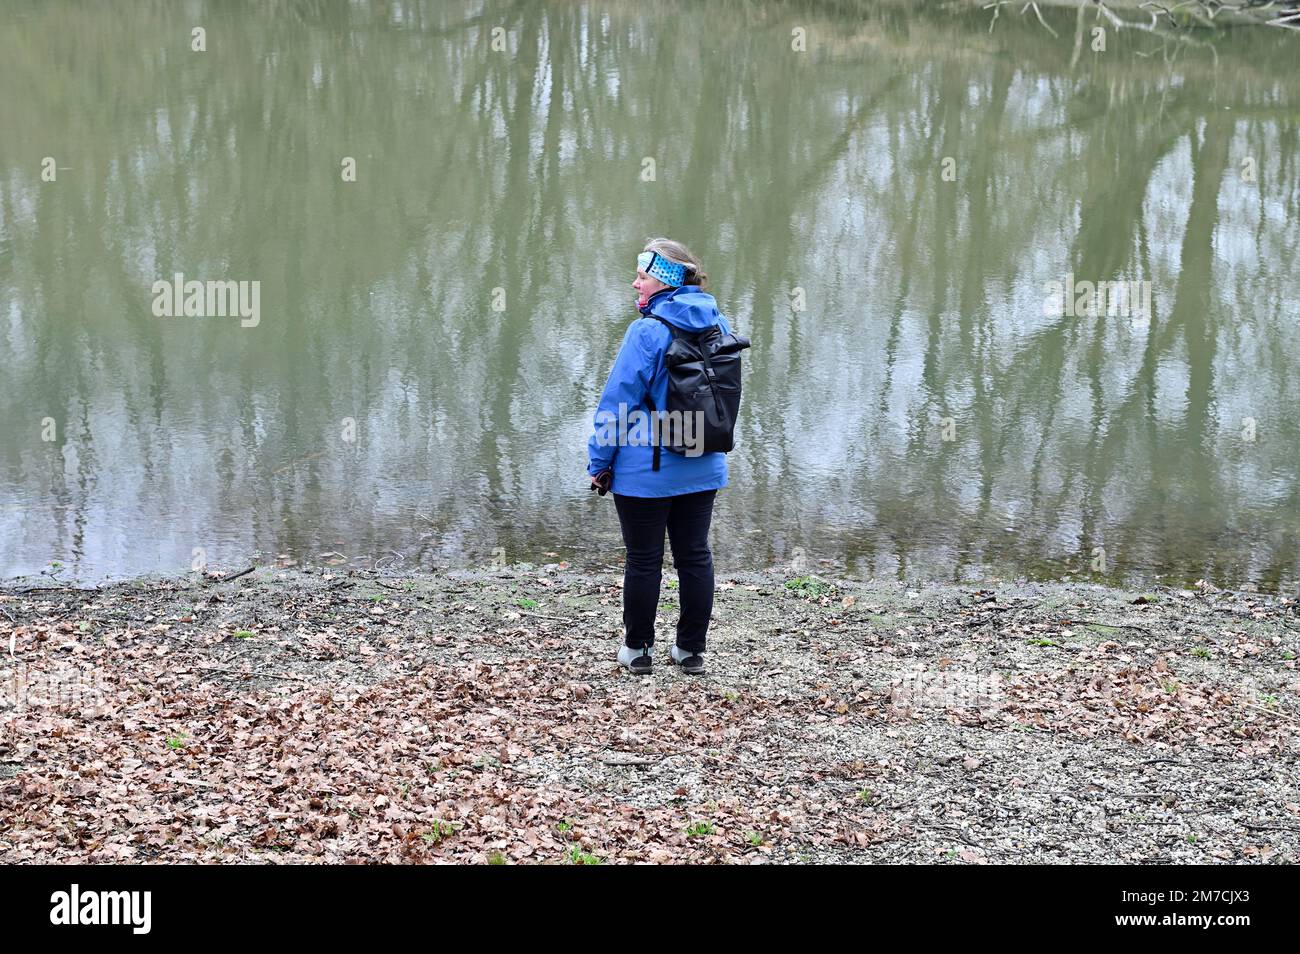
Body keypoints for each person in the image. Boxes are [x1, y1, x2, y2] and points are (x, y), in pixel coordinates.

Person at [587, 237, 735, 676]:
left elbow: (618, 403)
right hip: (703, 460)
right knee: (694, 555)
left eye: (643, 276)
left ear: (665, 281)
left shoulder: (647, 331)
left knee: (644, 559)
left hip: (645, 469)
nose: (635, 284)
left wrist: (600, 462)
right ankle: (690, 651)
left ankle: (637, 651)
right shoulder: (718, 323)